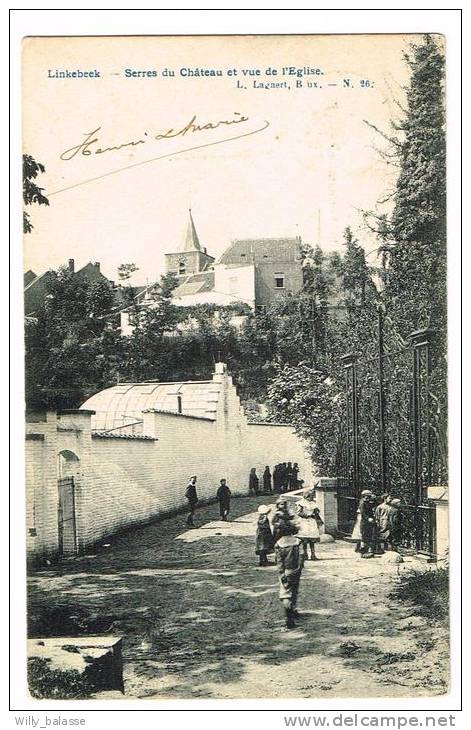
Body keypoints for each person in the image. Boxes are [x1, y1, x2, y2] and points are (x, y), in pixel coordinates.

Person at [274, 501, 304, 629]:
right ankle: (293, 609)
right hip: (296, 570)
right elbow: (302, 557)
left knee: (285, 593)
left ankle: (288, 617)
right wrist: (299, 568)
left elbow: (279, 562)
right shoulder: (298, 542)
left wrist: (281, 573)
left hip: (285, 571)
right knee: (295, 590)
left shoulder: (279, 544)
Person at [295, 496, 322, 560]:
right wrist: (307, 515)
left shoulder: (313, 503)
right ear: (306, 497)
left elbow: (316, 512)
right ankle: (305, 554)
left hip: (312, 522)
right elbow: (298, 512)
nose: (311, 498)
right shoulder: (301, 503)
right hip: (304, 522)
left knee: (312, 539)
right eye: (309, 496)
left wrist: (316, 514)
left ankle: (313, 554)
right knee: (305, 539)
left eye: (311, 496)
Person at [359, 489, 377, 558]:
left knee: (369, 536)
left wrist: (374, 499)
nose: (368, 498)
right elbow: (363, 513)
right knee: (364, 536)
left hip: (370, 522)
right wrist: (368, 518)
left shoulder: (368, 502)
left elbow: (374, 504)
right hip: (365, 522)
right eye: (367, 496)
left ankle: (368, 551)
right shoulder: (362, 503)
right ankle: (363, 551)